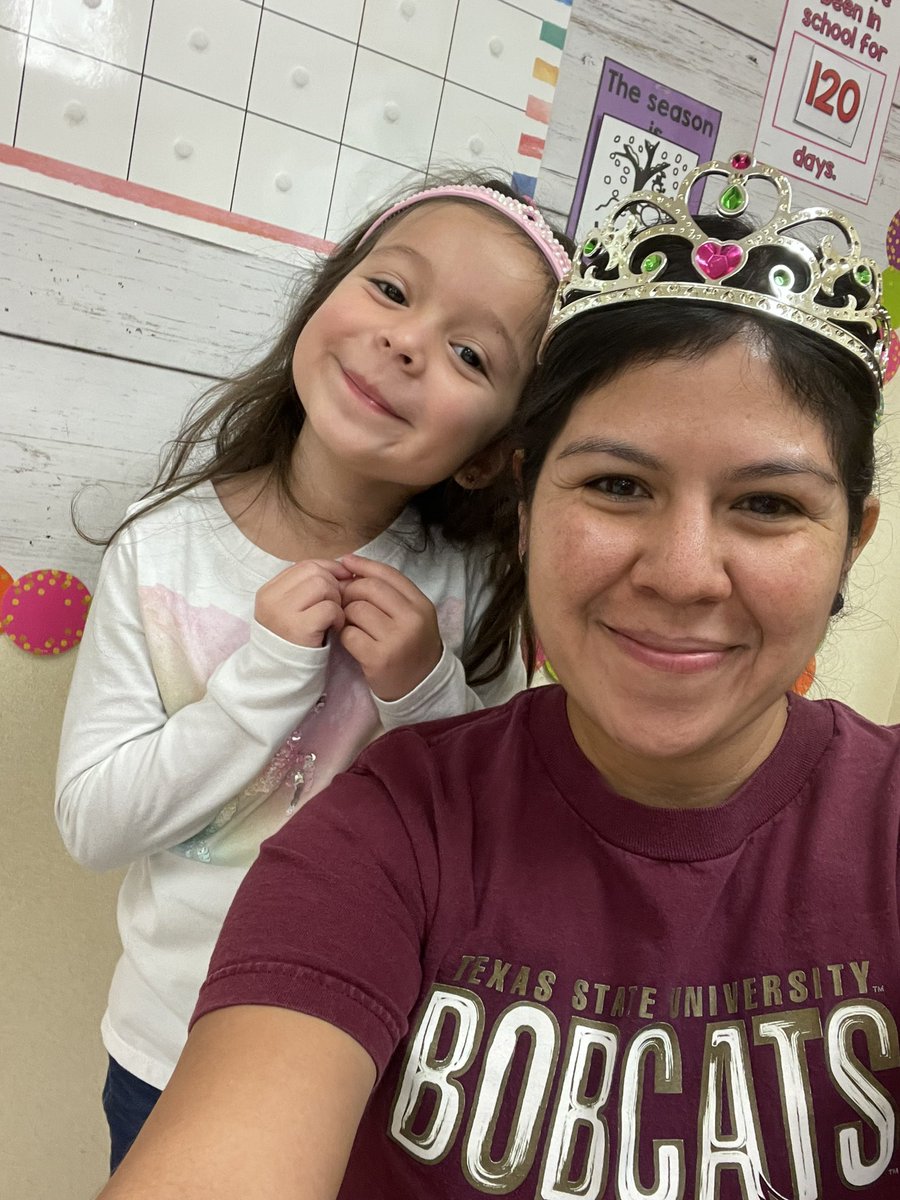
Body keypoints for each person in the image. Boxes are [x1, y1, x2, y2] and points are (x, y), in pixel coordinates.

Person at [97, 154, 899, 1198]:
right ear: (523, 504)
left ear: (852, 541)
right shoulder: (381, 833)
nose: (683, 572)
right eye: (617, 485)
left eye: (768, 505)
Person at [54, 173, 572, 1170]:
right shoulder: (160, 550)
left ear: (485, 457)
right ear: (322, 299)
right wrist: (262, 680)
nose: (409, 342)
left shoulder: (469, 586)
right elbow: (93, 823)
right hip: (174, 1051)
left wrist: (424, 690)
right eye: (389, 290)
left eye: (470, 353)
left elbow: (497, 834)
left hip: (389, 1058)